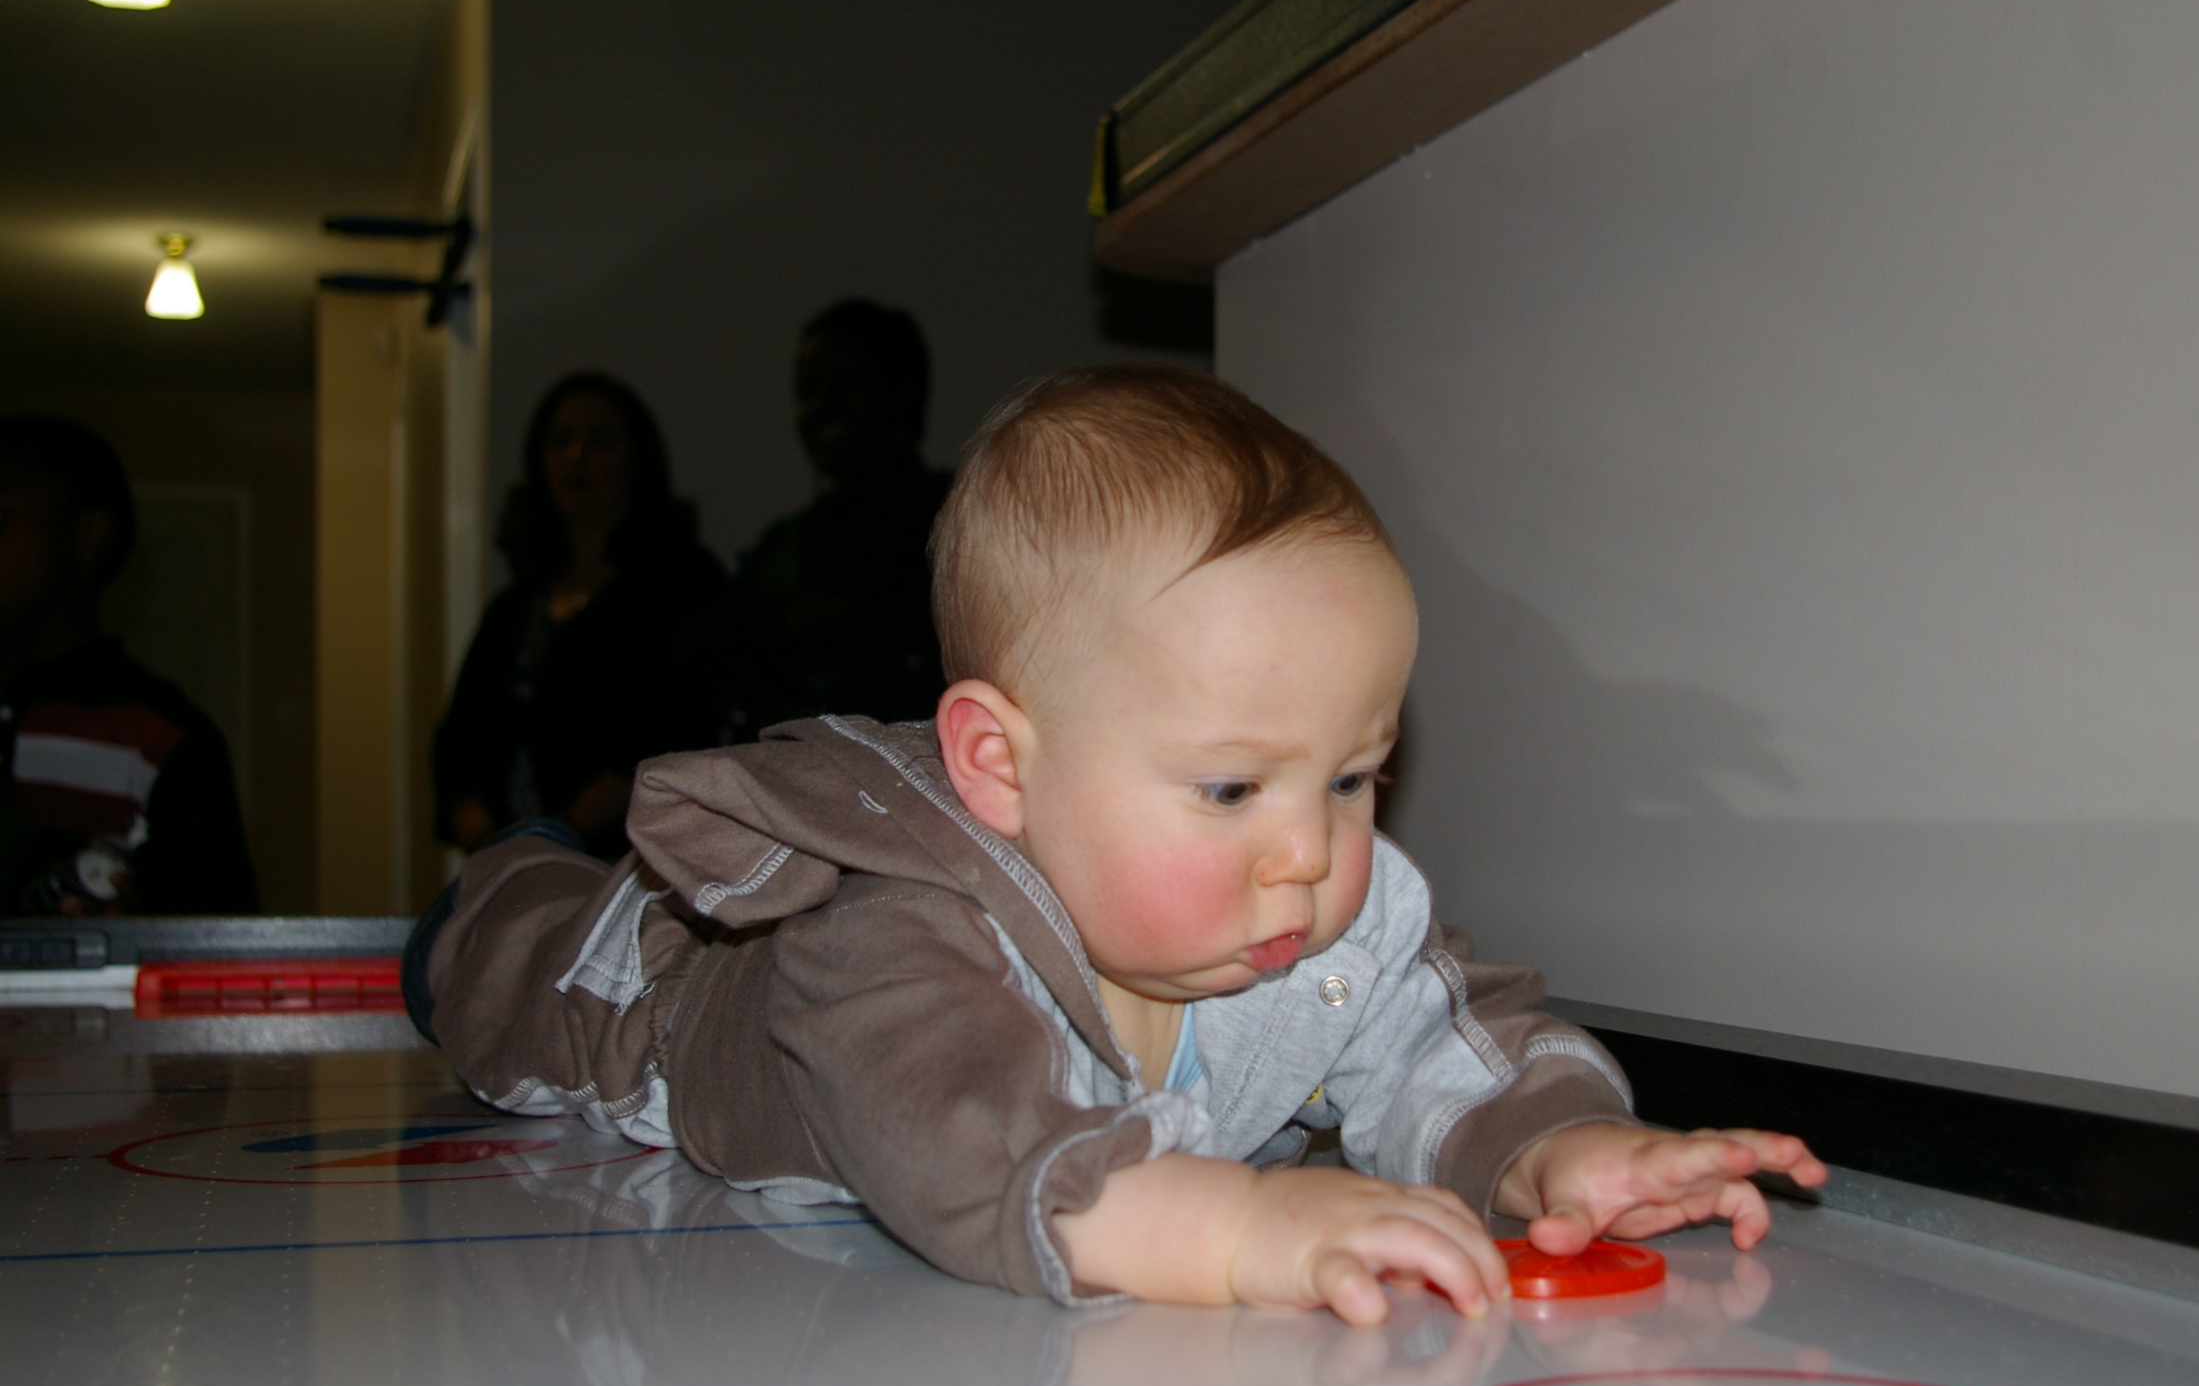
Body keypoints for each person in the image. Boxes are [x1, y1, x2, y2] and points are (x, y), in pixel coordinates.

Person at [408, 366, 1824, 1321]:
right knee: (509, 961)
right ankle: (492, 890)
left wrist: (1562, 1145)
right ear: (1000, 767)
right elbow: (960, 1141)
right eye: (1232, 787)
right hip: (657, 988)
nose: (1306, 851)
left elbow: (1445, 1039)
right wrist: (1237, 1231)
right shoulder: (895, 926)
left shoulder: (1311, 917)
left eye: (1351, 777)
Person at [433, 373, 725, 862]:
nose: (577, 456)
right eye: (562, 440)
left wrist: (567, 831)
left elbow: (679, 724)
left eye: (600, 440)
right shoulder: (514, 608)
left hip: (633, 862)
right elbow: (459, 739)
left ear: (637, 459)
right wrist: (484, 833)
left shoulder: (681, 585)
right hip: (512, 869)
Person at [0, 416, 258, 915]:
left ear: (89, 533)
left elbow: (214, 937)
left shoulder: (160, 739)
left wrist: (127, 929)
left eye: (0, 516)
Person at [692, 298, 950, 740]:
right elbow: (703, 658)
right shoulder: (785, 542)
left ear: (902, 392)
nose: (823, 407)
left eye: (847, 385)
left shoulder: (953, 519)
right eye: (808, 391)